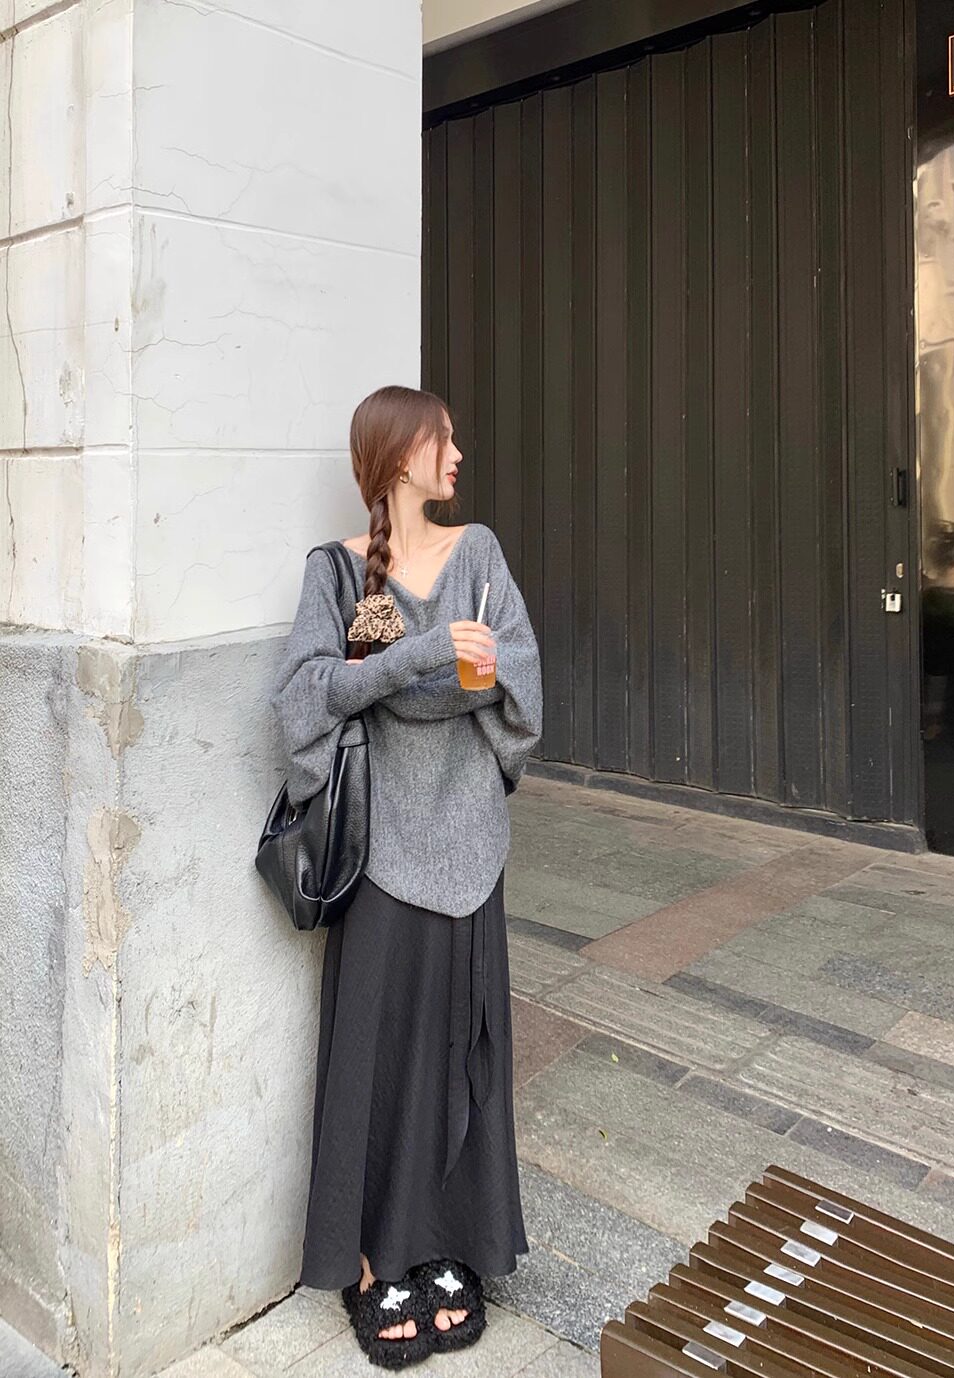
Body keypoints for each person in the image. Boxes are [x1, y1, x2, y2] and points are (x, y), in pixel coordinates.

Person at [270, 384, 543, 1369]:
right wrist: (421, 659)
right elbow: (304, 700)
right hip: (381, 851)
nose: (458, 455)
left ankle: (447, 1245)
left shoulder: (480, 553)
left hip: (470, 844)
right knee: (377, 1058)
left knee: (460, 1051)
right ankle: (373, 1257)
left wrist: (409, 682)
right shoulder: (338, 572)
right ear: (396, 458)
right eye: (442, 440)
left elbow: (522, 679)